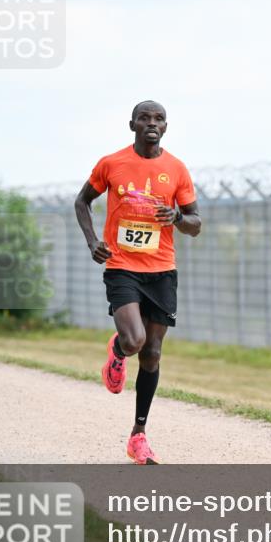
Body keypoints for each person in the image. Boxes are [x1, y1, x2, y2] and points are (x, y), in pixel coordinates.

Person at [74, 100, 201, 464]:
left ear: (165, 127)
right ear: (132, 125)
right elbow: (82, 202)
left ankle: (138, 435)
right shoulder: (112, 164)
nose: (151, 123)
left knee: (153, 353)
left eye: (158, 118)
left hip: (161, 269)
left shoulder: (176, 169)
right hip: (122, 265)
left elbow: (196, 223)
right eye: (144, 117)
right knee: (134, 341)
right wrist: (92, 241)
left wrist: (176, 217)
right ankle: (117, 351)